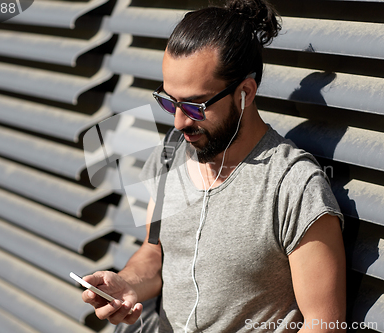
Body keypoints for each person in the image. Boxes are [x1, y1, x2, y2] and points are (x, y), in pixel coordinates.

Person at [82, 0, 347, 332]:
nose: (178, 122)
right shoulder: (169, 154)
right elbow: (155, 253)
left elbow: (325, 324)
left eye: (194, 107)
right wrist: (127, 283)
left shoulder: (294, 186)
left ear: (245, 93)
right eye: (168, 101)